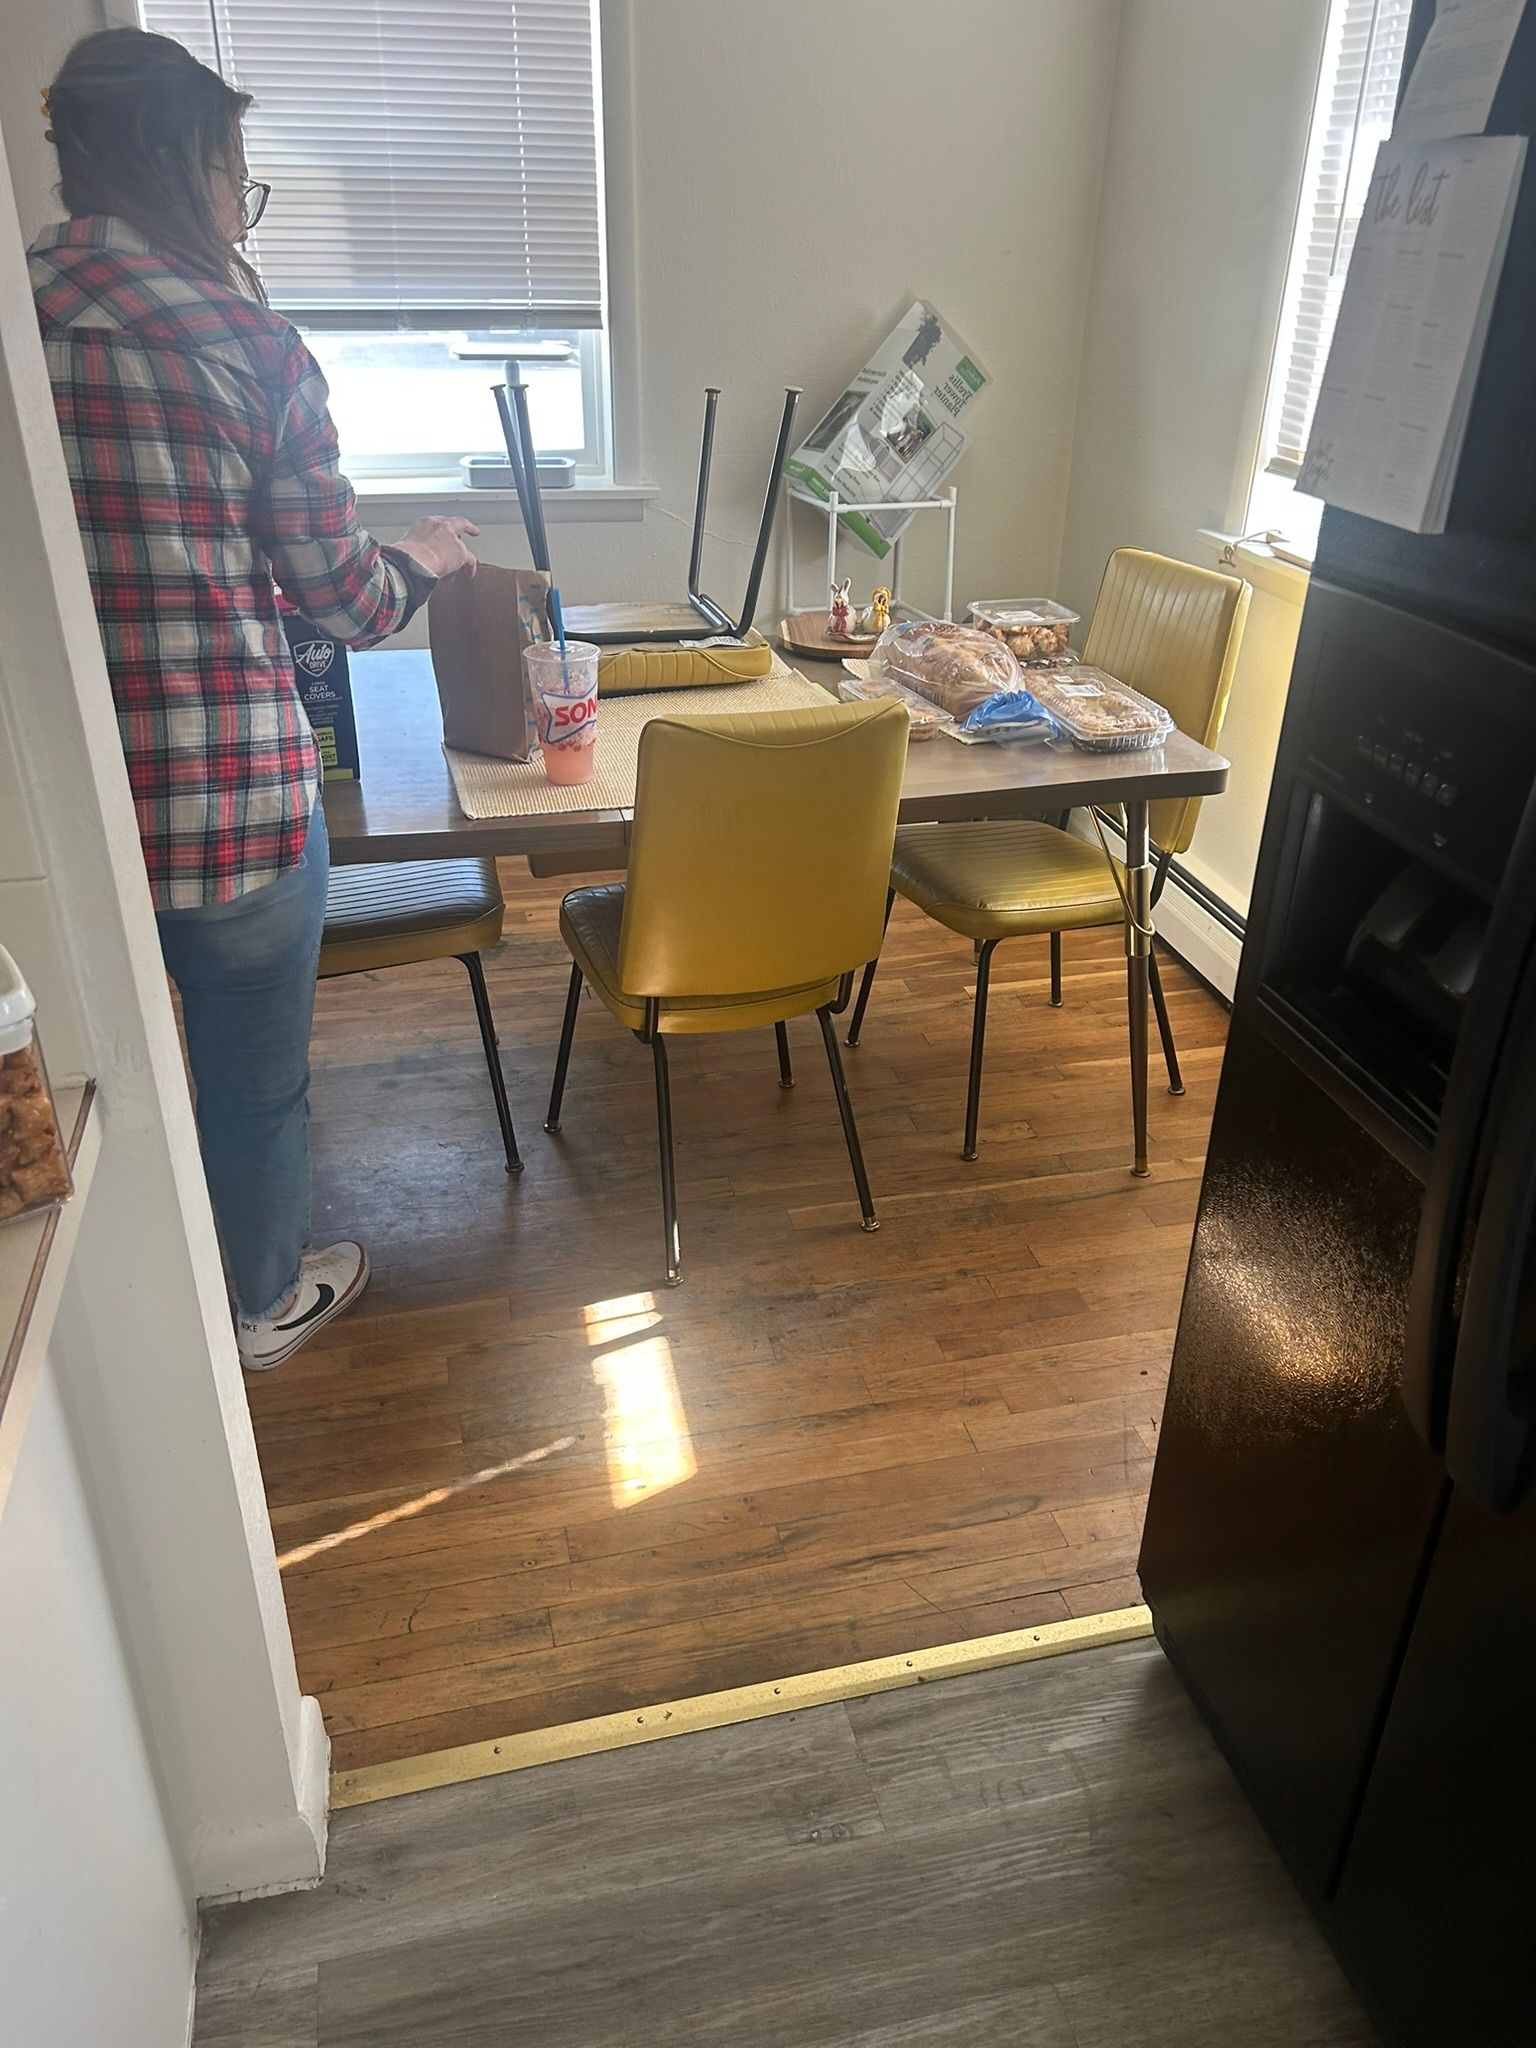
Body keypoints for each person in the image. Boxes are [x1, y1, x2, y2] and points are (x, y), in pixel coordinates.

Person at [30, 27, 479, 1369]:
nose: (242, 205)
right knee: (253, 1081)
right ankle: (258, 1302)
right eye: (240, 175)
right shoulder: (248, 342)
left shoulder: (17, 309)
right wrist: (428, 562)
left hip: (52, 828)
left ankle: (97, 1324)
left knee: (76, 1089)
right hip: (228, 804)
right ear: (190, 163)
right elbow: (345, 601)